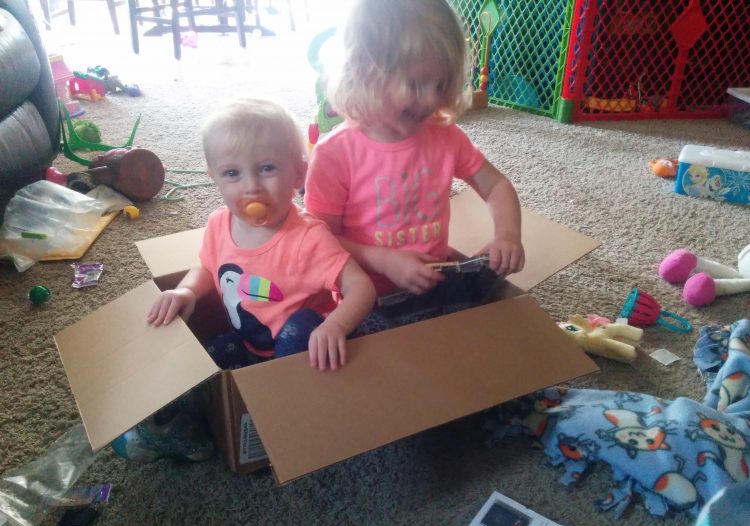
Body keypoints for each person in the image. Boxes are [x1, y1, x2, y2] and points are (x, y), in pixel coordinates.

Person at [112, 98, 376, 463]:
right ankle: (181, 428)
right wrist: (186, 290)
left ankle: (293, 419)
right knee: (204, 363)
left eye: (267, 168)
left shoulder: (308, 239)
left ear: (299, 175)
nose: (251, 187)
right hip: (249, 342)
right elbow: (208, 267)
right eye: (232, 174)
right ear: (214, 177)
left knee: (299, 327)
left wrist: (335, 326)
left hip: (303, 350)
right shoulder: (220, 223)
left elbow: (362, 287)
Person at [304, 0, 525, 331]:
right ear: (364, 72)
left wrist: (507, 236)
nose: (430, 99)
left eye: (440, 84)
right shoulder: (335, 154)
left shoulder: (444, 135)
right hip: (365, 300)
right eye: (416, 84)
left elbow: (496, 185)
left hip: (435, 282)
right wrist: (384, 260)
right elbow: (321, 238)